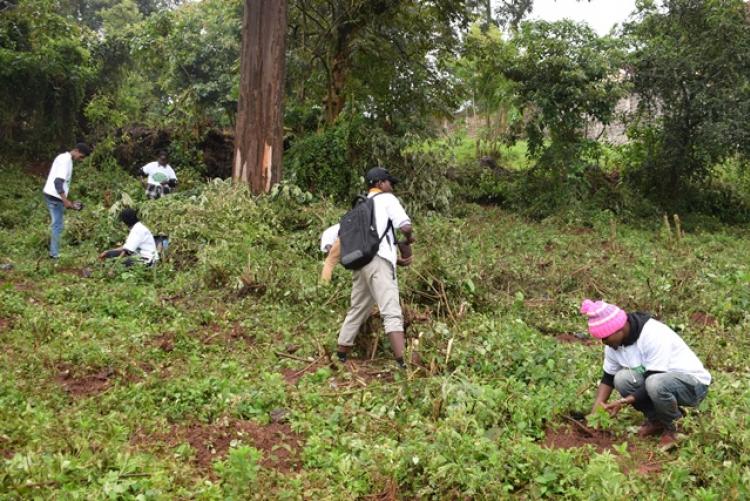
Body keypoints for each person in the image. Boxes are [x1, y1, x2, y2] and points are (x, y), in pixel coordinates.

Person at [582, 299, 711, 448]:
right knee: (621, 379)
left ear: (620, 328)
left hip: (693, 385)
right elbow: (608, 378)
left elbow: (653, 379)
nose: (604, 342)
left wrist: (623, 402)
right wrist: (595, 414)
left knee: (654, 383)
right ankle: (657, 420)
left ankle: (676, 427)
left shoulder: (652, 334)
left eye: (605, 337)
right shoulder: (613, 346)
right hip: (659, 382)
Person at [336, 167, 414, 369]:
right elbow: (405, 225)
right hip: (378, 262)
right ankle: (403, 363)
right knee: (391, 309)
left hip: (361, 262)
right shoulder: (388, 200)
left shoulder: (361, 206)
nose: (392, 187)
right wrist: (408, 239)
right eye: (390, 183)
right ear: (379, 183)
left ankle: (341, 353)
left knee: (358, 308)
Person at [42, 143, 91, 259]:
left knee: (57, 224)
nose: (81, 160)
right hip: (54, 196)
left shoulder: (64, 158)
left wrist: (69, 202)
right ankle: (54, 255)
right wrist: (65, 200)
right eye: (82, 156)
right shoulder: (65, 161)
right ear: (77, 151)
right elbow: (58, 182)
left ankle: (54, 252)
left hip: (52, 194)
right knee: (57, 225)